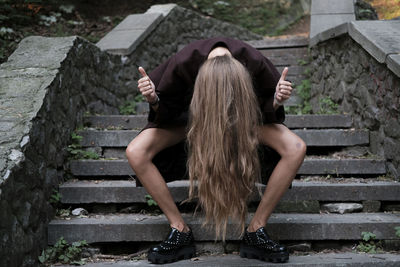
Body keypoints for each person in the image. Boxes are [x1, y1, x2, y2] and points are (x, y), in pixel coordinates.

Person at [126, 37, 306, 264]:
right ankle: (179, 229)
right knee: (136, 150)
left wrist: (277, 101)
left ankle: (256, 230)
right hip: (193, 122)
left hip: (242, 121)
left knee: (296, 147)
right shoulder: (183, 63)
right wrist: (154, 99)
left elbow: (266, 110)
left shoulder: (255, 63)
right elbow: (167, 112)